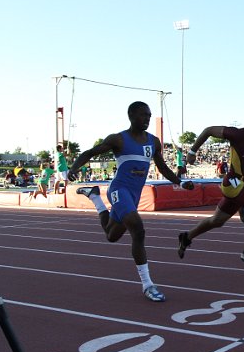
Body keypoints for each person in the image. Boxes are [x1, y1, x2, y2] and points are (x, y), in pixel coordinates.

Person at [68, 101, 194, 302]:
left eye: (149, 115)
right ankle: (148, 285)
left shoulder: (153, 142)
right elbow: (89, 153)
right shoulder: (118, 139)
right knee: (138, 229)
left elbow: (162, 167)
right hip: (119, 190)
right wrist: (73, 169)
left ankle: (95, 198)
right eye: (143, 115)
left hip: (133, 195)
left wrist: (180, 182)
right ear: (131, 116)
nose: (147, 119)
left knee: (112, 236)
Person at [177, 113, 244, 268]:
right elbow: (209, 130)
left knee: (217, 221)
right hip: (232, 182)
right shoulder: (238, 134)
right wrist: (192, 152)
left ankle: (187, 237)